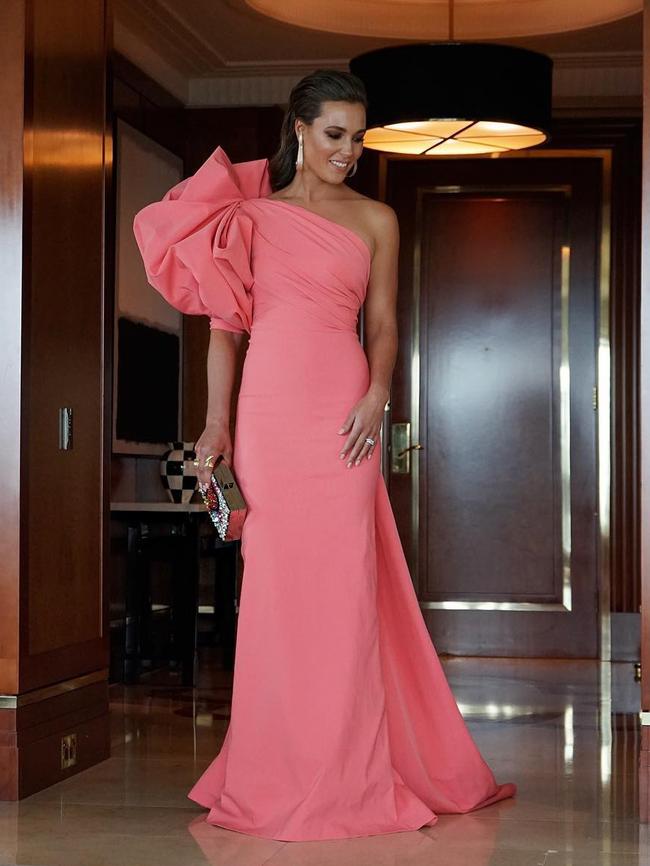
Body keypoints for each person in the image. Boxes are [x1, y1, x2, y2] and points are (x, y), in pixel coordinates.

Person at [133, 68, 515, 843]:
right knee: (274, 594)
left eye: (358, 139)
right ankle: (274, 771)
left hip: (342, 412)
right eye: (335, 135)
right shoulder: (247, 216)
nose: (348, 151)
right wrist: (216, 425)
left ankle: (350, 772)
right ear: (299, 128)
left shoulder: (377, 219)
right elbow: (224, 331)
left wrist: (379, 391)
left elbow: (383, 324)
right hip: (270, 410)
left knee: (343, 592)